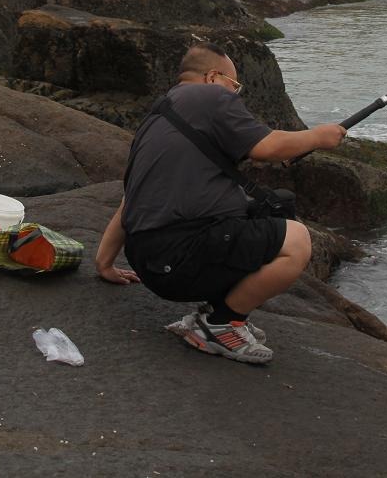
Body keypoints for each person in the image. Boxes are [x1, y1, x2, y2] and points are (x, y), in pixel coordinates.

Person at [94, 43, 347, 364]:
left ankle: (212, 313)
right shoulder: (210, 96)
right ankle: (221, 324)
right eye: (234, 85)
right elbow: (267, 146)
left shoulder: (156, 117)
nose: (235, 95)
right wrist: (319, 137)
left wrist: (104, 263)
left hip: (152, 262)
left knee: (271, 207)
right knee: (297, 240)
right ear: (213, 77)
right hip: (180, 259)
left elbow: (130, 198)